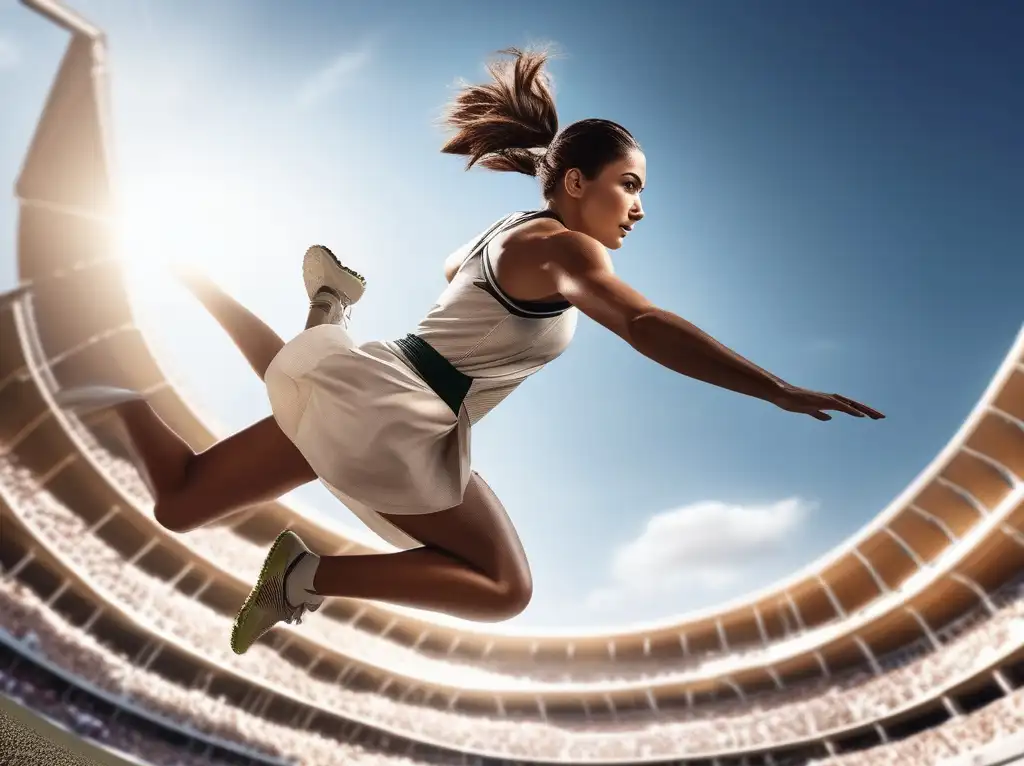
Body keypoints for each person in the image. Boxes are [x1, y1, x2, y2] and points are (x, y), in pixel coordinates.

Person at [55, 48, 883, 656]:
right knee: (503, 587)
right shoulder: (566, 250)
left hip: (383, 377)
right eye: (630, 184)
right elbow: (645, 326)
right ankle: (306, 573)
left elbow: (457, 277)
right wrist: (772, 387)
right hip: (404, 413)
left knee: (182, 501)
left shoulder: (499, 234)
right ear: (574, 183)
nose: (639, 208)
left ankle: (123, 373)